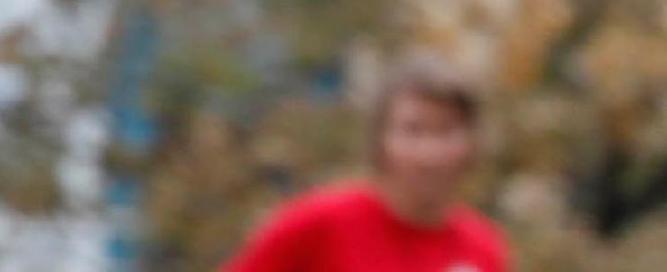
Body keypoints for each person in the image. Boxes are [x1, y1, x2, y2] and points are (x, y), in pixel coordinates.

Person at [219, 57, 512, 272]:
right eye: (414, 130)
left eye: (445, 131)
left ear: (471, 144)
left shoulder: (482, 247)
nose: (429, 152)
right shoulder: (316, 222)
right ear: (381, 140)